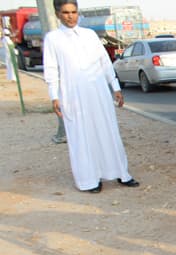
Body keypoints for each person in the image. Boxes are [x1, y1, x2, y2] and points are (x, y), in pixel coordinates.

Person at [43, 0, 139, 193]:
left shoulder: (90, 35)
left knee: (108, 131)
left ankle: (121, 173)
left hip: (99, 93)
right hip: (73, 95)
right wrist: (54, 96)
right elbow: (51, 69)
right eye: (66, 12)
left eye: (74, 12)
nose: (70, 16)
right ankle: (90, 179)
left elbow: (104, 62)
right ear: (57, 14)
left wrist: (115, 87)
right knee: (82, 136)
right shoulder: (53, 39)